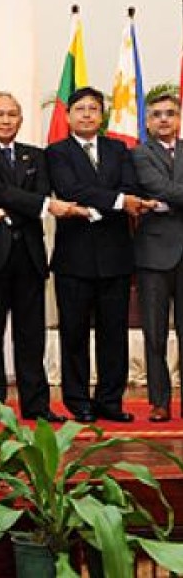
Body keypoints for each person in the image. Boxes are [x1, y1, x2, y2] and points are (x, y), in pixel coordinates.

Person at [0, 92, 82, 425]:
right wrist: (30, 206)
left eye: (12, 114)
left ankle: (36, 405)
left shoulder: (36, 156)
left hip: (29, 256)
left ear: (20, 120)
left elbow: (37, 195)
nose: (6, 120)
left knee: (31, 335)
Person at [46, 86, 156, 423]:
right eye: (80, 109)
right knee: (74, 333)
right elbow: (69, 190)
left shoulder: (119, 149)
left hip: (115, 256)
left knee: (113, 333)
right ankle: (77, 401)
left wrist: (113, 199)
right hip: (73, 259)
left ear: (102, 115)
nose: (87, 114)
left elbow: (132, 187)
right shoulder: (56, 153)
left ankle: (110, 400)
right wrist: (119, 202)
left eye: (94, 108)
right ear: (69, 115)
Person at [131, 93, 183, 422]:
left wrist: (167, 200)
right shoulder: (139, 154)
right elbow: (156, 187)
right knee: (155, 333)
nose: (164, 119)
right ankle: (160, 401)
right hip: (154, 254)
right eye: (157, 115)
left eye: (170, 113)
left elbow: (166, 194)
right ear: (148, 122)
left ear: (178, 119)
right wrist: (165, 198)